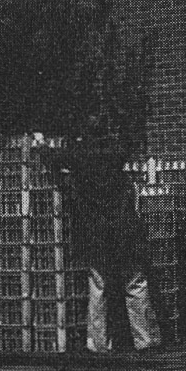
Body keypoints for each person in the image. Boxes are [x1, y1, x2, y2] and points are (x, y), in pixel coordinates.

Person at [55, 144, 162, 353]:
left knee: (98, 288)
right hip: (125, 240)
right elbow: (131, 212)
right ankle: (145, 340)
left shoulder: (84, 184)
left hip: (97, 242)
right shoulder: (123, 182)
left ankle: (98, 343)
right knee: (135, 285)